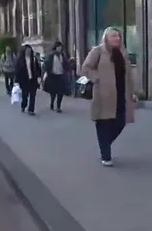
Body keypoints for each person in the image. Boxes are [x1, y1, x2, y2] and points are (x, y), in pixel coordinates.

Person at [81, 27, 137, 166]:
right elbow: (86, 68)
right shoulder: (98, 51)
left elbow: (128, 75)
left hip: (121, 94)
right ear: (106, 38)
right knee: (104, 123)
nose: (117, 38)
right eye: (113, 36)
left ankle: (104, 144)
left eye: (118, 36)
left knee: (120, 122)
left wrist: (132, 92)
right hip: (103, 94)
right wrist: (97, 78)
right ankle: (106, 155)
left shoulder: (122, 53)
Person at [13, 44, 43, 115]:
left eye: (30, 50)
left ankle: (31, 109)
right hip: (24, 80)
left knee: (33, 95)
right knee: (25, 95)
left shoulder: (34, 59)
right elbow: (17, 71)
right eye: (27, 51)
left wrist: (39, 76)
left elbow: (38, 68)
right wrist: (16, 81)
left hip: (33, 79)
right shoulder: (20, 60)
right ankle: (23, 105)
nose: (28, 52)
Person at [43, 42, 72, 112]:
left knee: (60, 92)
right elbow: (46, 64)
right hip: (53, 76)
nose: (60, 48)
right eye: (58, 47)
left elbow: (66, 64)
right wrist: (47, 71)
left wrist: (68, 68)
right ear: (55, 47)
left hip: (60, 76)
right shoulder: (51, 56)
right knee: (53, 92)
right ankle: (52, 103)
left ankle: (58, 106)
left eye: (61, 47)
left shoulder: (62, 56)